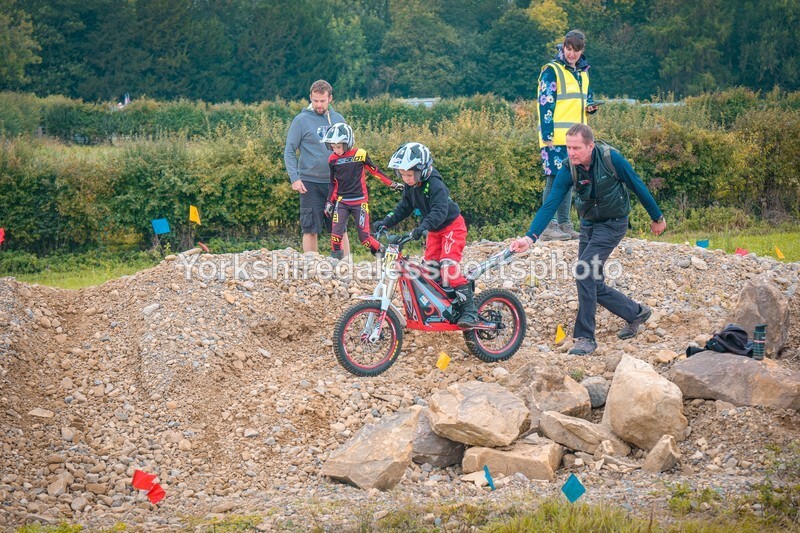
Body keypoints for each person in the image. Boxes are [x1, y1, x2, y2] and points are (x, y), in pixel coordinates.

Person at [510, 124, 667, 355]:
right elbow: (551, 203)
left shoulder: (611, 159)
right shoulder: (568, 169)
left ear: (590, 146)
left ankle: (585, 337)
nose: (571, 152)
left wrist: (657, 217)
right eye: (568, 147)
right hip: (589, 225)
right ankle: (636, 313)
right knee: (592, 281)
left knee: (583, 271)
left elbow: (637, 184)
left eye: (576, 148)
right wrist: (530, 237)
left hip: (613, 224)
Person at [372, 143, 478, 327]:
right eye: (402, 175)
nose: (406, 179)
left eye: (409, 174)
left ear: (423, 170)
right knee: (429, 271)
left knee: (447, 268)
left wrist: (421, 228)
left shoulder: (436, 185)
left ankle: (469, 311)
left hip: (452, 227)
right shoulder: (410, 187)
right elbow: (403, 208)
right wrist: (385, 222)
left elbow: (439, 212)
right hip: (435, 231)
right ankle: (447, 306)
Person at [537, 29, 599, 241]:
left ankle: (564, 225)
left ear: (582, 51)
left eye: (576, 50)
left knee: (570, 180)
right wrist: (547, 135)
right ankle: (548, 225)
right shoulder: (551, 70)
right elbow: (544, 102)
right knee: (553, 180)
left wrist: (591, 107)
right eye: (568, 49)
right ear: (563, 47)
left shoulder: (583, 72)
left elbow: (586, 99)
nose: (572, 54)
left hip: (577, 139)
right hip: (554, 136)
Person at [284, 80, 350, 255]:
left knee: (340, 229)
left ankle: (345, 266)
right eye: (315, 101)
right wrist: (295, 178)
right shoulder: (300, 120)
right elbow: (289, 150)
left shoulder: (339, 119)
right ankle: (312, 269)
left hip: (336, 183)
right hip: (309, 183)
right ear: (310, 99)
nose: (318, 105)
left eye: (322, 101)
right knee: (310, 229)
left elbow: (348, 151)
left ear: (330, 99)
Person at [320, 122, 403, 259]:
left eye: (339, 146)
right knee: (335, 235)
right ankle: (335, 261)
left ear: (348, 143)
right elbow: (333, 183)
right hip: (342, 201)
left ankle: (384, 254)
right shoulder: (332, 159)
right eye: (333, 147)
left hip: (359, 201)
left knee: (364, 238)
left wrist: (392, 184)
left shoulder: (360, 154)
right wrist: (329, 202)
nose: (336, 150)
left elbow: (375, 171)